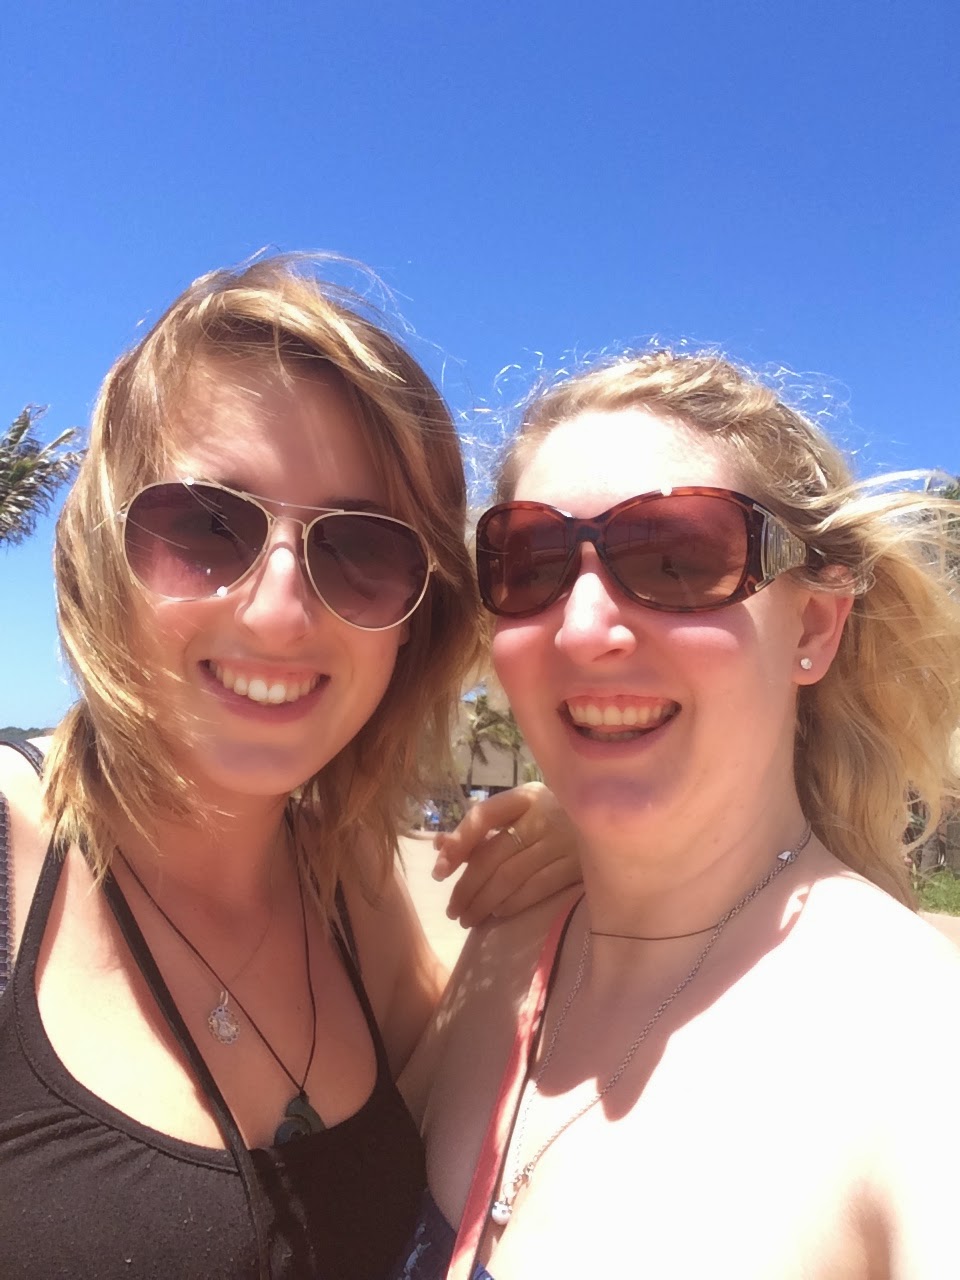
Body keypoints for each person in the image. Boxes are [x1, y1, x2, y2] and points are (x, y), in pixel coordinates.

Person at [0, 255, 579, 1280]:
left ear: (415, 623)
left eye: (363, 551)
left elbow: (486, 1096)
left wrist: (598, 833)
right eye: (205, 525)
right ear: (101, 547)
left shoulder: (353, 887)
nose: (278, 612)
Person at [397, 350, 960, 1279]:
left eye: (677, 559)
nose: (582, 628)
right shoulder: (506, 949)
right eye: (531, 563)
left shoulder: (918, 1048)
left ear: (813, 626)